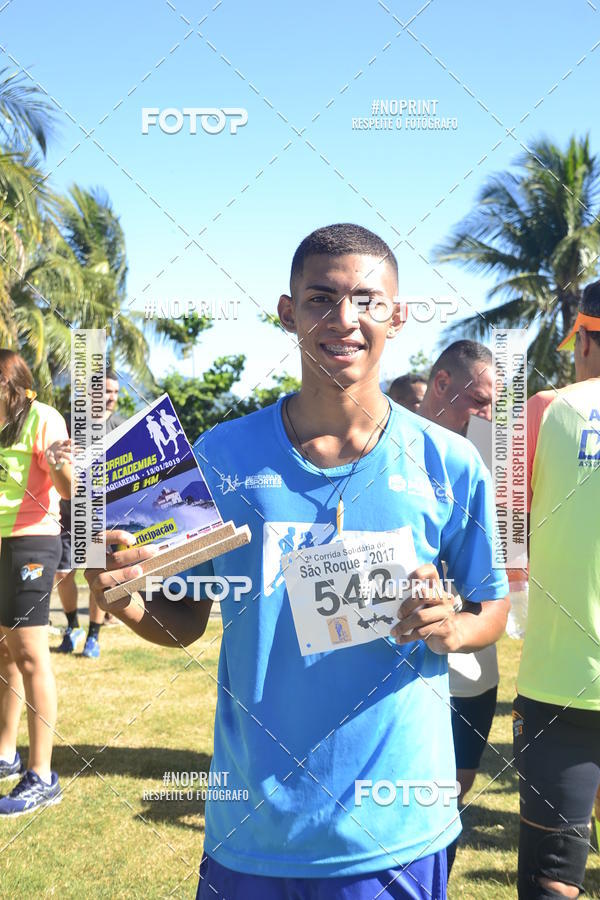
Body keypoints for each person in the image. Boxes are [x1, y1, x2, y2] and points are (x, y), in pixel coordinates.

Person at [87, 224, 509, 899]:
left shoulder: (448, 461)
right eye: (321, 299)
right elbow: (187, 619)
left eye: (368, 301)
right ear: (289, 313)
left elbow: (491, 607)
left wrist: (455, 628)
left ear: (397, 317)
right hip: (253, 834)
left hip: (392, 830)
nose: (345, 319)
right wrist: (128, 601)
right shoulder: (224, 457)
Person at [514, 282, 600, 899]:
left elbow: (501, 541)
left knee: (552, 880)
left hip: (558, 680)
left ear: (588, 341)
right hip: (559, 683)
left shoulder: (542, 409)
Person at [418, 341, 502, 872]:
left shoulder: (486, 459)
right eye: (480, 402)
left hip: (471, 660)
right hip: (397, 665)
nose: (488, 416)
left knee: (454, 787)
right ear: (443, 384)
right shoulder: (380, 444)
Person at [0, 350, 71, 814]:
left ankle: (42, 775)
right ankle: (6, 754)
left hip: (32, 543)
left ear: (12, 387)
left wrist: (58, 462)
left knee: (29, 654)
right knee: (4, 652)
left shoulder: (45, 419)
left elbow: (68, 489)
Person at [56, 368, 125, 658]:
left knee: (98, 576)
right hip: (67, 513)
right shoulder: (68, 424)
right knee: (62, 573)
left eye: (115, 392)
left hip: (102, 517)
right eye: (105, 391)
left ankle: (93, 638)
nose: (111, 398)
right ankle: (72, 627)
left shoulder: (123, 427)